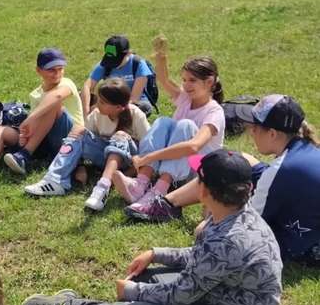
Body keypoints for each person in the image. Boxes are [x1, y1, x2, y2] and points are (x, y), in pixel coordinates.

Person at [22, 150, 283, 305]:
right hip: (220, 295)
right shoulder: (237, 213)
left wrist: (133, 292)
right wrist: (155, 254)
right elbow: (202, 258)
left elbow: (181, 294)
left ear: (204, 190)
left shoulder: (227, 240)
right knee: (147, 277)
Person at [135, 95, 320, 265]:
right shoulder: (305, 149)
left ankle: (168, 204)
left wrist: (212, 214)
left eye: (255, 127)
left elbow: (246, 225)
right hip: (298, 214)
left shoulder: (279, 171)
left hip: (303, 246)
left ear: (272, 133)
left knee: (202, 231)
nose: (251, 131)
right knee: (235, 160)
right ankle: (167, 203)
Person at [116, 36, 225, 216]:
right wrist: (161, 57)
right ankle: (141, 183)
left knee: (185, 125)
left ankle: (159, 192)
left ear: (209, 82)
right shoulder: (186, 99)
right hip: (175, 165)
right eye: (184, 80)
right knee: (163, 121)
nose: (186, 85)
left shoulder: (214, 112)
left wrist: (149, 157)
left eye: (192, 80)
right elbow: (164, 80)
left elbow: (193, 146)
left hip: (198, 172)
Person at [0, 48, 84, 183]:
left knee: (54, 105)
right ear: (38, 70)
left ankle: (24, 155)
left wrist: (30, 120)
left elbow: (56, 96)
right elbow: (38, 125)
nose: (57, 73)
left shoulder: (66, 83)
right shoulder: (36, 94)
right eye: (51, 70)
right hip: (45, 143)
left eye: (60, 69)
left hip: (71, 139)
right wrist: (25, 135)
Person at [25, 78, 151, 211]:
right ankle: (55, 180)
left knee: (120, 135)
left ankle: (102, 188)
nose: (97, 105)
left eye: (102, 102)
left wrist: (127, 173)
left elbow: (149, 149)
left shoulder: (136, 115)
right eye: (98, 100)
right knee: (79, 131)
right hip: (104, 157)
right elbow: (81, 142)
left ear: (119, 107)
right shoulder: (97, 114)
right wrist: (81, 166)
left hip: (128, 161)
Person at [82, 34, 155, 116]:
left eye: (116, 60)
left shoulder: (138, 64)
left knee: (141, 108)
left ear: (128, 53)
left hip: (132, 103)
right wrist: (86, 112)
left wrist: (104, 108)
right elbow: (87, 86)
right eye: (110, 59)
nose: (112, 64)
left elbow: (134, 98)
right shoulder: (105, 64)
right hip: (110, 100)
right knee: (82, 95)